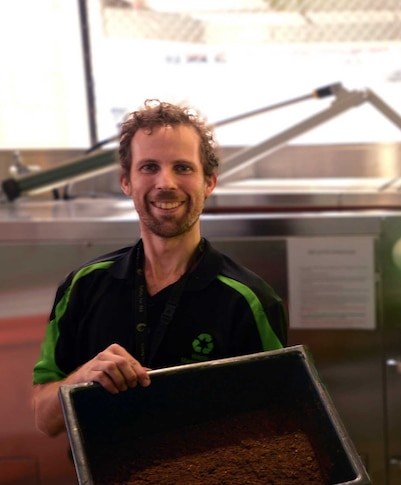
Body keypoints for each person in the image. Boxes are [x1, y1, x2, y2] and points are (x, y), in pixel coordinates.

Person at [32, 99, 288, 437]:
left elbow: (280, 426)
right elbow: (44, 419)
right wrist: (81, 379)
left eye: (182, 167)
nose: (165, 183)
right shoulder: (84, 286)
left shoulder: (250, 301)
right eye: (149, 167)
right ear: (127, 182)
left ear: (209, 182)